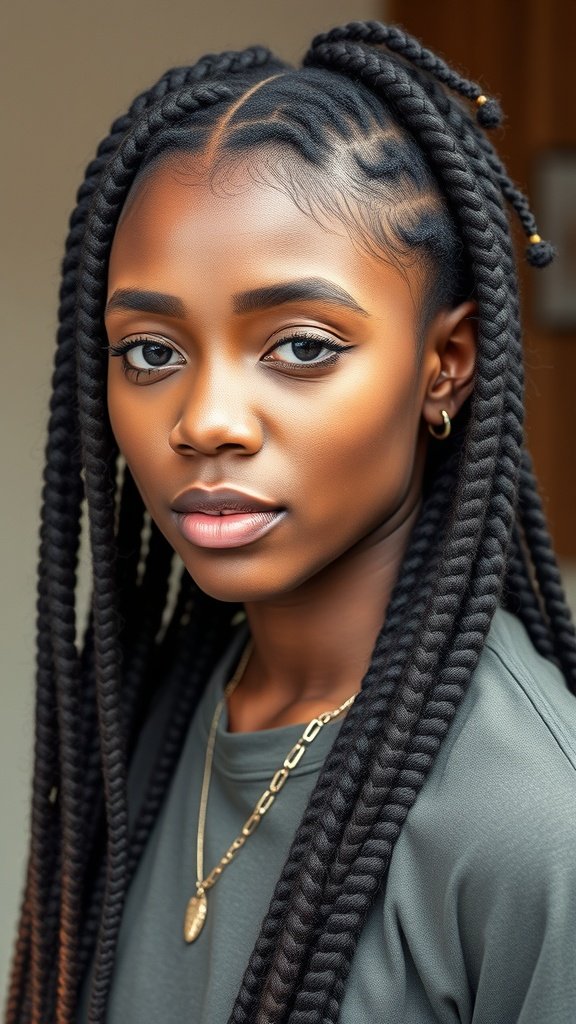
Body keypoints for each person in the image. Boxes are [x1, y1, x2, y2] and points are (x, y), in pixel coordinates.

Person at [5, 19, 576, 1024]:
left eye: (302, 347)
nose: (206, 422)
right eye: (150, 352)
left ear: (445, 365)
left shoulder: (533, 822)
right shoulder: (160, 716)